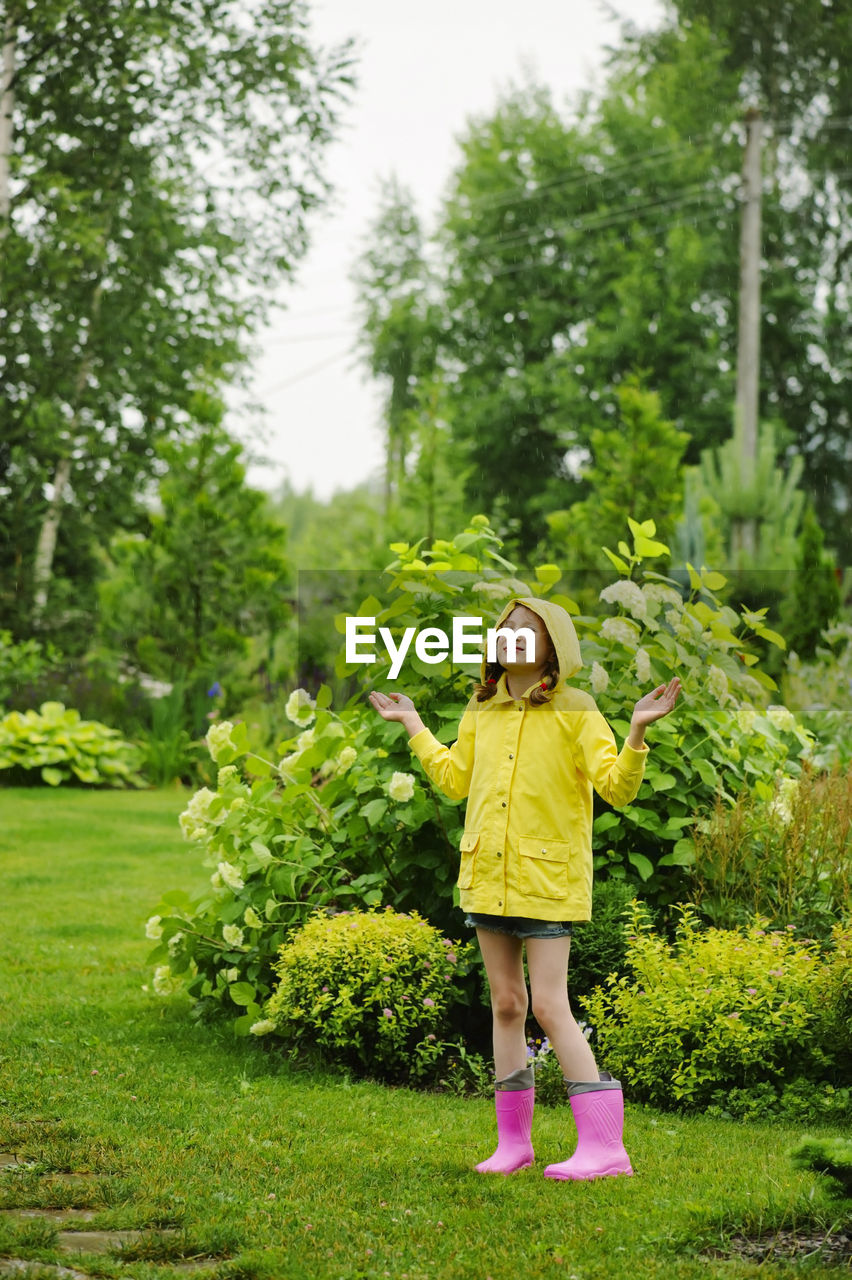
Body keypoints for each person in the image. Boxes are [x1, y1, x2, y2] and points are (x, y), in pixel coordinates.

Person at [368, 595, 681, 1180]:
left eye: (525, 630)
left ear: (552, 646)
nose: (511, 637)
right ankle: (513, 1143)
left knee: (548, 1004)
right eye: (504, 630)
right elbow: (454, 780)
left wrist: (637, 730)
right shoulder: (480, 707)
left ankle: (606, 1148)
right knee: (507, 1005)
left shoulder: (578, 709)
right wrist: (413, 724)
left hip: (548, 880)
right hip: (489, 877)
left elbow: (618, 788)